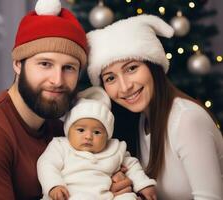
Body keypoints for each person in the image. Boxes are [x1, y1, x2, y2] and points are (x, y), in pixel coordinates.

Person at [0, 0, 131, 199]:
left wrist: (109, 186)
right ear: (18, 65)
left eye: (69, 68)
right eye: (45, 64)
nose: (57, 80)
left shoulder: (61, 131)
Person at [86, 14, 223, 200]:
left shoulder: (186, 119)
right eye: (110, 78)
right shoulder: (142, 120)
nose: (125, 87)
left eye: (131, 68)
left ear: (153, 65)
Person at [37, 86, 156, 200]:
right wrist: (54, 186)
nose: (88, 136)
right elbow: (46, 165)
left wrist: (144, 184)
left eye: (97, 132)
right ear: (68, 131)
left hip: (107, 195)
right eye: (81, 130)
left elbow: (132, 166)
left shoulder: (115, 148)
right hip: (70, 194)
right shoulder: (60, 146)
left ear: (107, 135)